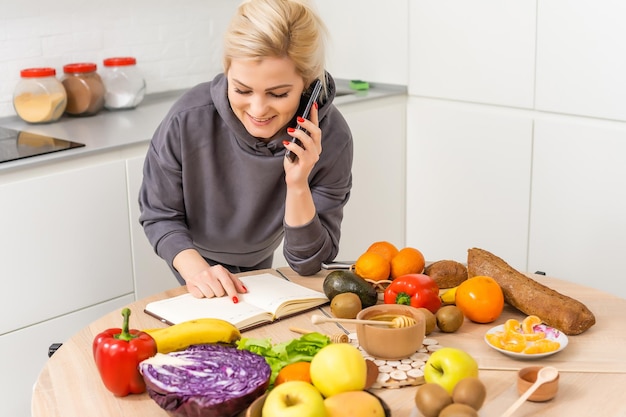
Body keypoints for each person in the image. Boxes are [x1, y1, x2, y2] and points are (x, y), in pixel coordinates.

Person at [138, 0, 353, 302]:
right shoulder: (187, 119)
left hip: (261, 262)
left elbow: (307, 263)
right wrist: (198, 272)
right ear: (226, 70)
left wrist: (298, 184)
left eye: (278, 94)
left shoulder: (331, 137)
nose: (258, 109)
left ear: (308, 84)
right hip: (192, 257)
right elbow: (160, 214)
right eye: (241, 90)